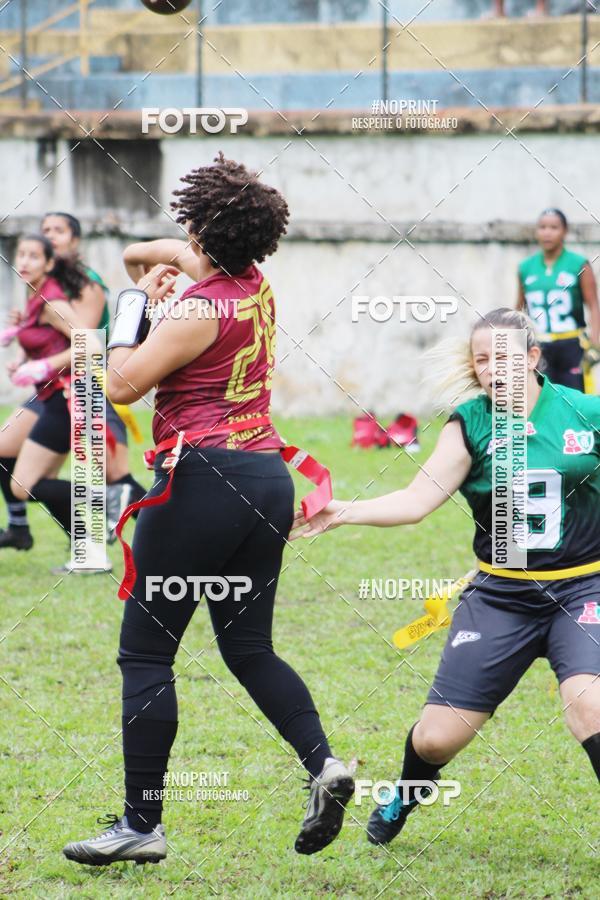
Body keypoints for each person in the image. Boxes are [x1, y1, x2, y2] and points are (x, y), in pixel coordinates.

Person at [62, 154, 354, 866]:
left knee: (145, 652)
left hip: (200, 480)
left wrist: (136, 302)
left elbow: (123, 384)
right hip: (264, 480)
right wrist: (155, 263)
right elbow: (147, 249)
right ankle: (325, 764)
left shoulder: (195, 310)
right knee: (249, 647)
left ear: (201, 231)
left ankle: (141, 824)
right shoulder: (254, 284)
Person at [292, 307, 600, 846]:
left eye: (503, 356)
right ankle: (405, 794)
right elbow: (416, 500)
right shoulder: (471, 422)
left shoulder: (584, 412)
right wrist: (339, 511)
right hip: (501, 596)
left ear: (531, 357)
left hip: (583, 590)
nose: (491, 368)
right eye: (481, 359)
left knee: (589, 704)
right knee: (435, 741)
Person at [0, 234, 91, 546]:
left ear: (49, 264)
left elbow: (90, 343)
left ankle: (108, 497)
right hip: (50, 398)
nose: (24, 261)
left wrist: (45, 366)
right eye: (21, 254)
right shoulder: (34, 294)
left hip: (68, 399)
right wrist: (21, 356)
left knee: (25, 486)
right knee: (6, 455)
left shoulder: (54, 301)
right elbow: (46, 338)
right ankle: (79, 544)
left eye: (34, 256)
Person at [517, 208, 600, 391]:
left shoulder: (578, 263)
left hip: (571, 344)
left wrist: (595, 344)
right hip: (538, 346)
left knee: (574, 401)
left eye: (554, 227)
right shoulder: (526, 267)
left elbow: (594, 305)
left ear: (565, 231)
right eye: (542, 227)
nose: (547, 232)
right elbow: (520, 310)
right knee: (540, 399)